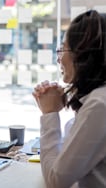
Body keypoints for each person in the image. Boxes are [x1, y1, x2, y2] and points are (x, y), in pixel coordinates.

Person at [32, 10, 106, 188]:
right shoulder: (97, 97)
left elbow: (57, 181)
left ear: (84, 56)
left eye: (63, 49)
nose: (59, 58)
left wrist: (49, 114)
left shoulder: (99, 104)